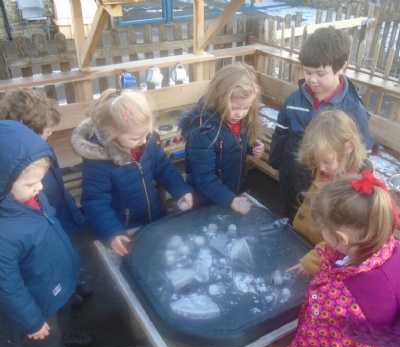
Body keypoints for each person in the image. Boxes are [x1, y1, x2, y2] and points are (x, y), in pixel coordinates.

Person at [275, 172, 400, 347]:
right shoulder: (384, 247)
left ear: (342, 238)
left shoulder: (342, 302)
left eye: (323, 228)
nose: (322, 234)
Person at [0, 120, 94, 347]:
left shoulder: (33, 197)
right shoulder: (4, 233)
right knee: (48, 334)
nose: (40, 187)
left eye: (40, 180)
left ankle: (66, 335)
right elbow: (9, 287)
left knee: (63, 313)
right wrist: (31, 321)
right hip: (38, 298)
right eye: (31, 184)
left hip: (56, 280)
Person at [71, 88, 193, 257]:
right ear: (112, 133)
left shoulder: (145, 143)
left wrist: (180, 190)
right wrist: (112, 232)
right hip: (127, 230)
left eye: (146, 134)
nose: (142, 141)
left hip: (155, 217)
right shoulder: (98, 163)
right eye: (135, 138)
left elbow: (163, 168)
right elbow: (95, 202)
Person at [269, 26, 374, 221]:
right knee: (291, 215)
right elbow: (281, 132)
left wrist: (352, 184)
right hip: (293, 175)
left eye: (320, 73)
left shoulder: (353, 110)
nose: (312, 80)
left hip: (329, 185)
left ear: (341, 67)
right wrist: (276, 163)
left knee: (319, 222)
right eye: (307, 72)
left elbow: (363, 152)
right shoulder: (294, 100)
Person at [0, 88, 91, 308]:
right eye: (48, 130)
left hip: (57, 211)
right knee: (50, 263)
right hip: (41, 222)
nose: (50, 134)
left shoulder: (41, 150)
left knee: (65, 251)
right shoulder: (17, 167)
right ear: (27, 131)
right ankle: (64, 296)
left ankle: (72, 283)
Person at [287, 110, 374, 276]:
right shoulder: (332, 169)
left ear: (348, 147)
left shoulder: (352, 193)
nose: (320, 168)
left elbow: (341, 242)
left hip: (322, 257)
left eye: (326, 161)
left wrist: (311, 262)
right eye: (317, 161)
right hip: (306, 239)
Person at [178, 62, 265, 214]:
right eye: (235, 108)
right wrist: (229, 200)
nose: (240, 114)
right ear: (219, 99)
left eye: (246, 108)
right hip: (205, 201)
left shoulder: (239, 121)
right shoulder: (204, 132)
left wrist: (252, 147)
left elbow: (234, 143)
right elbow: (204, 176)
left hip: (231, 193)